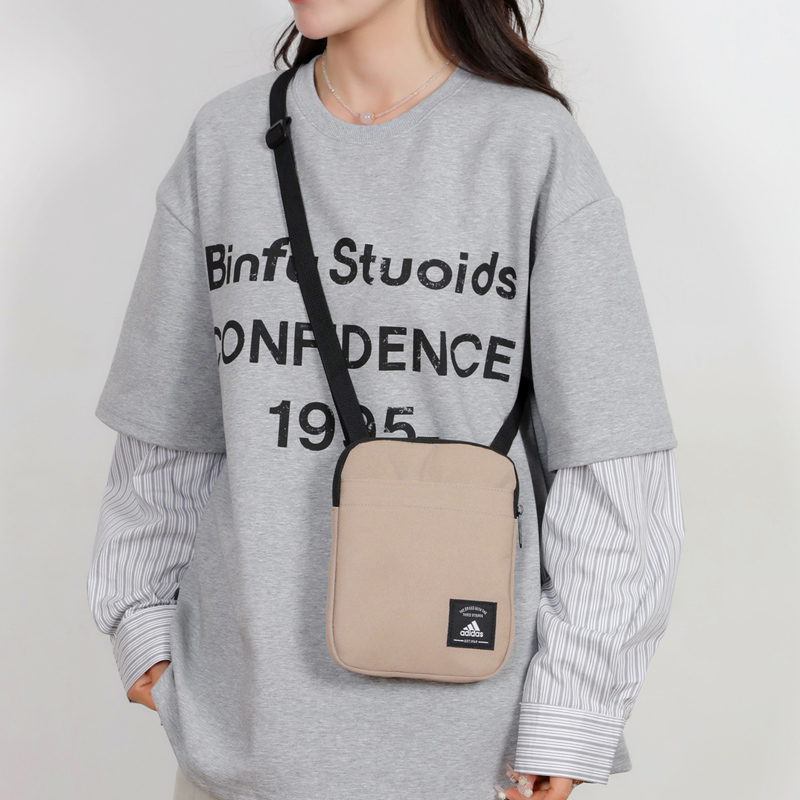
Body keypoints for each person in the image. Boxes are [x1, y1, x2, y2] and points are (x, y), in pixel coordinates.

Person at [86, 1, 686, 799]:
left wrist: (572, 709)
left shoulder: (529, 147)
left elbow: (609, 453)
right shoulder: (227, 139)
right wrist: (142, 628)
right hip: (239, 752)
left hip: (473, 756)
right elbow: (169, 423)